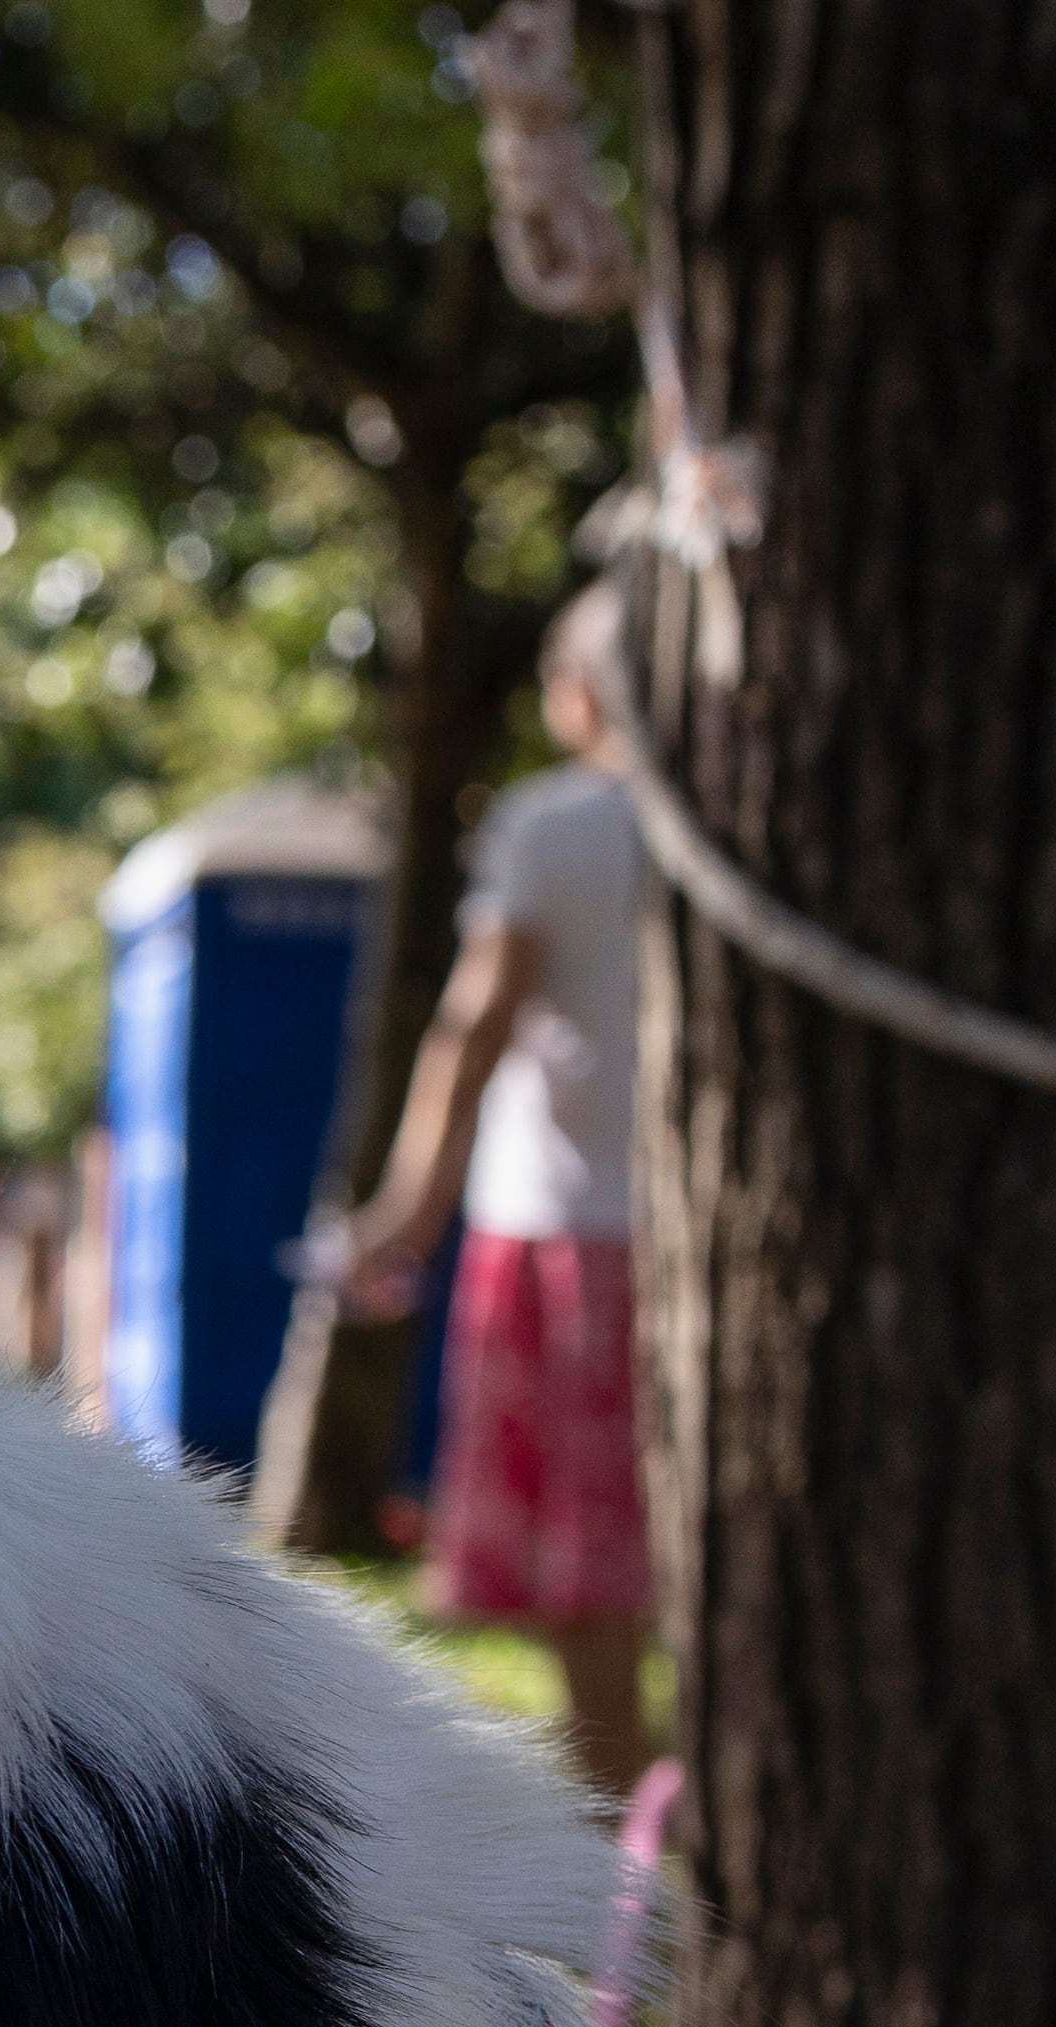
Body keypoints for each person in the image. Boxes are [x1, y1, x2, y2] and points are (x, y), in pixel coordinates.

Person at [342, 588, 652, 1796]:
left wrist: (403, 1215)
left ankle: (626, 1876)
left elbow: (473, 1025)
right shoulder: (745, 821)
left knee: (592, 1598)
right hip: (699, 1242)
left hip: (566, 1235)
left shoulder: (550, 827)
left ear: (574, 692)